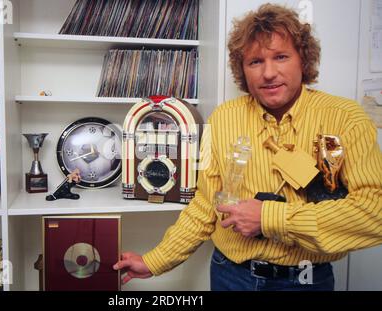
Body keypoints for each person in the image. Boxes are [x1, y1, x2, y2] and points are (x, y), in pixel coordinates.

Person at [113, 3, 382, 291]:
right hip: (231, 277)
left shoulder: (346, 117)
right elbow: (206, 204)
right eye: (255, 62)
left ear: (303, 60)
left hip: (308, 281)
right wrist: (155, 261)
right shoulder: (222, 118)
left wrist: (269, 218)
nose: (268, 73)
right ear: (242, 69)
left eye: (280, 57)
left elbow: (374, 212)